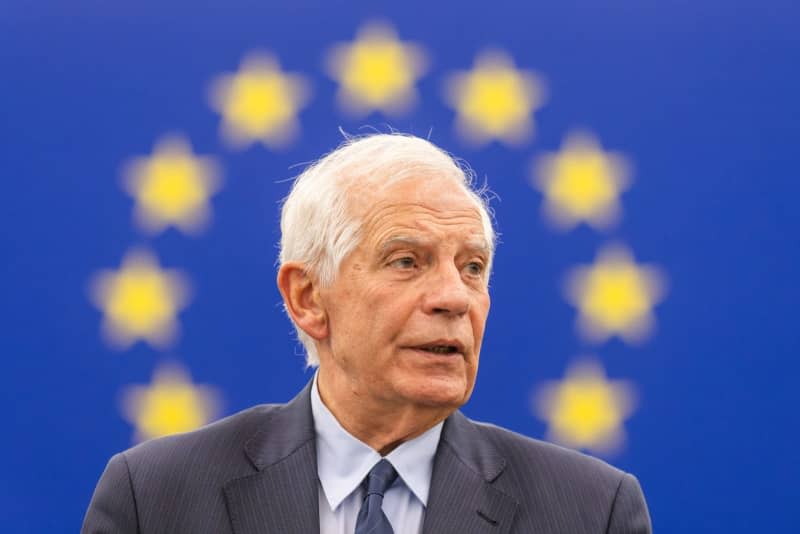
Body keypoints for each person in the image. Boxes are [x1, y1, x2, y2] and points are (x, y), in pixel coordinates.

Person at [82, 133, 652, 533]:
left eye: (472, 267)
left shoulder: (591, 510)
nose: (455, 297)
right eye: (407, 261)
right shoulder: (154, 498)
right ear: (308, 298)